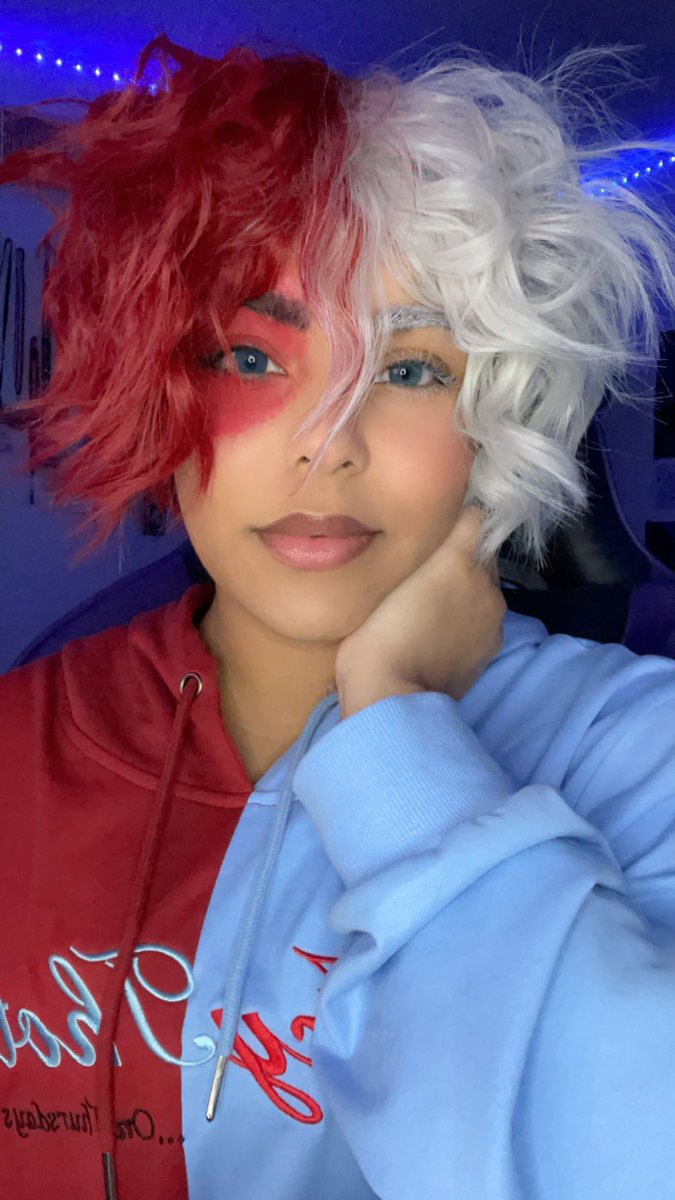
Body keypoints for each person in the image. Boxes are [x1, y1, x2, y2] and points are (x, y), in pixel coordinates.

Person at [1, 31, 675, 1200]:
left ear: (498, 414)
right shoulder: (22, 741)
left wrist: (401, 732)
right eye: (251, 357)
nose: (328, 442)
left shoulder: (640, 757)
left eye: (410, 370)